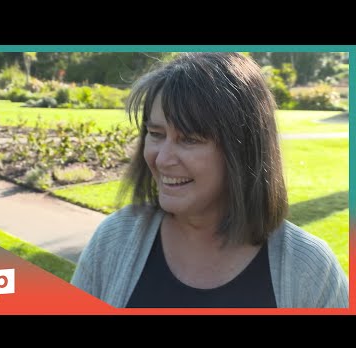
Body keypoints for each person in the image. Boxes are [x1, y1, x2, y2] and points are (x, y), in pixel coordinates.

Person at [70, 52, 348, 308]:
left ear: (243, 151)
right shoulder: (114, 240)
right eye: (156, 134)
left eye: (189, 139)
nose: (163, 158)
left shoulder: (310, 270)